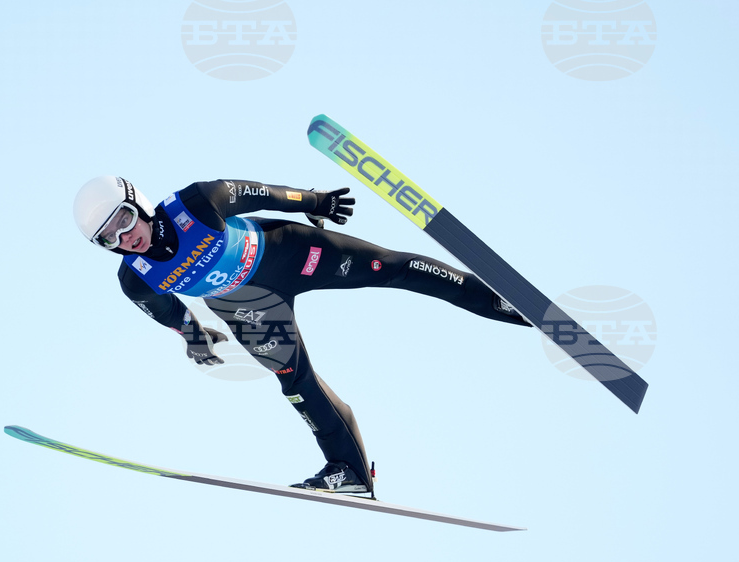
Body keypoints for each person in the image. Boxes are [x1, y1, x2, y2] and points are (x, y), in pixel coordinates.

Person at [73, 176, 530, 494]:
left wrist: (316, 202)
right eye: (109, 238)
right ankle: (349, 472)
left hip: (288, 252)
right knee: (296, 383)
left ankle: (506, 303)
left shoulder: (195, 201)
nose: (124, 238)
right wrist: (192, 335)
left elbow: (259, 194)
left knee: (393, 268)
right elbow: (166, 311)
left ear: (140, 203)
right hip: (246, 306)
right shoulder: (135, 278)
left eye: (125, 221)